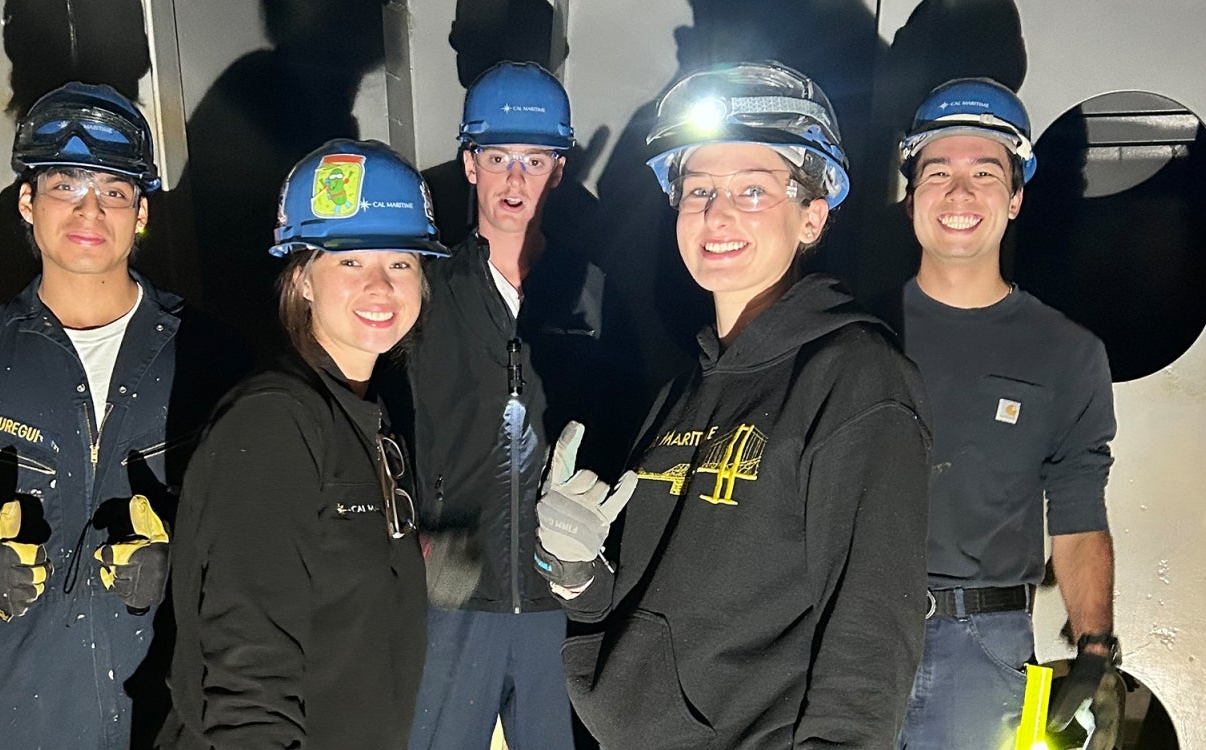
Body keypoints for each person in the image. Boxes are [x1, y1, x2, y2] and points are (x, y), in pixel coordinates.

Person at [532, 61, 932, 749]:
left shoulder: (857, 381)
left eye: (752, 190)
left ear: (812, 215)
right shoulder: (683, 389)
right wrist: (573, 567)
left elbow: (870, 638)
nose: (716, 215)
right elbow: (629, 603)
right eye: (698, 190)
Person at [0, 82, 239, 748]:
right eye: (66, 186)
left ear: (142, 213)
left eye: (114, 192)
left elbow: (269, 519)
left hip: (178, 709)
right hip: (23, 713)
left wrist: (184, 563)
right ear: (28, 202)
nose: (90, 211)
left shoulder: (212, 357)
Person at [159, 139, 441, 750]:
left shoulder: (366, 413)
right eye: (349, 262)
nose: (380, 286)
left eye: (400, 263)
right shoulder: (274, 424)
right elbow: (246, 659)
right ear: (303, 280)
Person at [394, 60, 637, 750]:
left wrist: (592, 569)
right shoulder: (423, 288)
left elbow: (625, 434)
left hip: (555, 585)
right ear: (469, 164)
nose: (514, 180)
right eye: (498, 157)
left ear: (559, 170)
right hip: (449, 579)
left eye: (535, 160)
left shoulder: (593, 294)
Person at [888, 78, 1119, 750]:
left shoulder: (1068, 353)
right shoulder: (854, 329)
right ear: (911, 198)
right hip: (852, 634)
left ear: (1015, 198)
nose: (960, 195)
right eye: (939, 173)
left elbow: (1078, 514)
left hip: (984, 659)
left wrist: (1096, 652)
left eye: (985, 174)